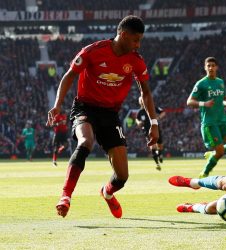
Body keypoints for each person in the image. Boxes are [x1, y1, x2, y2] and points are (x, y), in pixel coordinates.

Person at [46, 15, 159, 219]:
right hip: (85, 108)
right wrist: (57, 106)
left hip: (110, 114)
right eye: (135, 40)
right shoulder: (93, 51)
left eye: (140, 40)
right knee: (85, 142)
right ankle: (65, 196)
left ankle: (107, 193)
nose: (138, 45)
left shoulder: (135, 60)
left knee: (122, 176)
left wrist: (154, 122)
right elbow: (69, 75)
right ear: (123, 35)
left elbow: (146, 92)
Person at [187, 57, 226, 178]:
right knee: (220, 152)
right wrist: (203, 104)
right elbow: (189, 102)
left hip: (222, 121)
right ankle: (205, 172)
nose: (211, 68)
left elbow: (223, 98)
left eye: (213, 65)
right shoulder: (201, 84)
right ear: (205, 68)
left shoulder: (220, 82)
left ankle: (213, 154)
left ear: (217, 67)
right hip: (210, 123)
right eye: (208, 66)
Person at [136, 96, 166, 170]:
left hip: (156, 129)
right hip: (147, 132)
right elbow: (137, 119)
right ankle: (157, 164)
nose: (142, 102)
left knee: (160, 146)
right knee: (153, 147)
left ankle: (160, 155)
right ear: (139, 102)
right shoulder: (140, 112)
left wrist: (158, 118)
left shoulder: (152, 107)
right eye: (141, 101)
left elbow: (163, 112)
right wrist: (139, 122)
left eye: (143, 100)